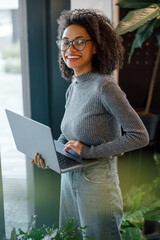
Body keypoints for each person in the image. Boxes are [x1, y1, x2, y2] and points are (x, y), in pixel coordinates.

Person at [31, 9, 149, 240]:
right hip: (70, 176)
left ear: (96, 46)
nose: (70, 49)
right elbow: (69, 135)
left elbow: (139, 135)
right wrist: (49, 154)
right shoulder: (74, 85)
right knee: (71, 236)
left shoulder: (104, 86)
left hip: (97, 181)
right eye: (65, 43)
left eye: (79, 42)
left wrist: (90, 151)